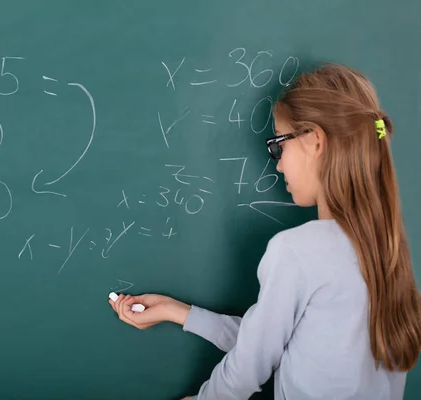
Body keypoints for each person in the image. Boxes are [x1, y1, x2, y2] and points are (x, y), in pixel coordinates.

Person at [109, 64, 421, 399]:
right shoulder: (385, 251)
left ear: (315, 141)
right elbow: (277, 341)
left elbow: (247, 369)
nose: (278, 163)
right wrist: (179, 312)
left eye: (278, 145)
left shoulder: (297, 251)